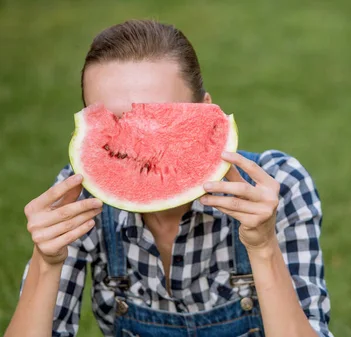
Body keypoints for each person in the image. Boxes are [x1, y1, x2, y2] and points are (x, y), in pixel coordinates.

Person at [5, 20, 332, 337]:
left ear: (205, 110)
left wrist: (263, 247)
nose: (142, 141)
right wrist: (46, 263)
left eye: (162, 118)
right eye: (117, 121)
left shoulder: (277, 184)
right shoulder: (77, 198)